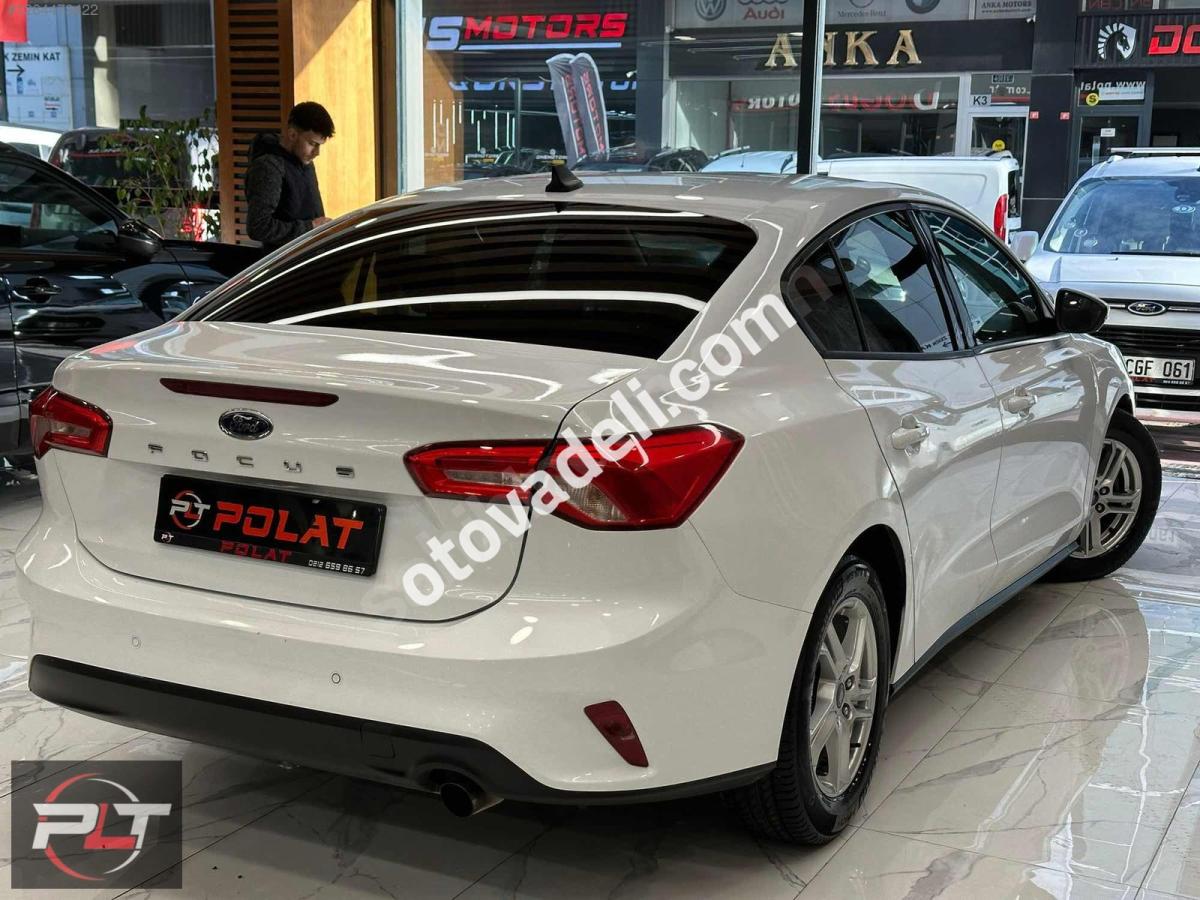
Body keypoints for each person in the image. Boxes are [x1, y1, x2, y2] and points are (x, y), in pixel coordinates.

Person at [245, 101, 334, 251]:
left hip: (308, 258)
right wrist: (310, 227)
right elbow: (258, 226)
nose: (317, 153)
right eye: (313, 144)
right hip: (287, 262)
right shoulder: (268, 166)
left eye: (320, 145)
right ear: (292, 134)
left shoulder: (305, 160)